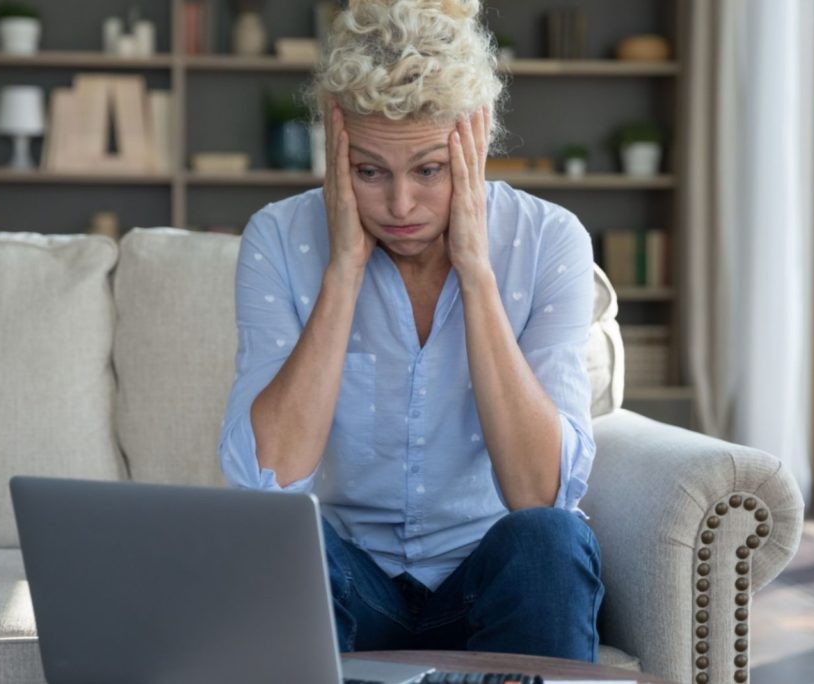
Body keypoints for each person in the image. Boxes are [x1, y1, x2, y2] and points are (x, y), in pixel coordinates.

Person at [219, 0, 602, 661]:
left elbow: (539, 494)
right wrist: (343, 270)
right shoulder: (279, 241)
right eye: (370, 172)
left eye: (429, 170)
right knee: (284, 543)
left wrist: (477, 273)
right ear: (336, 149)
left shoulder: (547, 241)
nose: (400, 206)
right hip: (352, 586)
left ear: (475, 142)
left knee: (549, 544)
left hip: (486, 576)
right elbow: (265, 484)